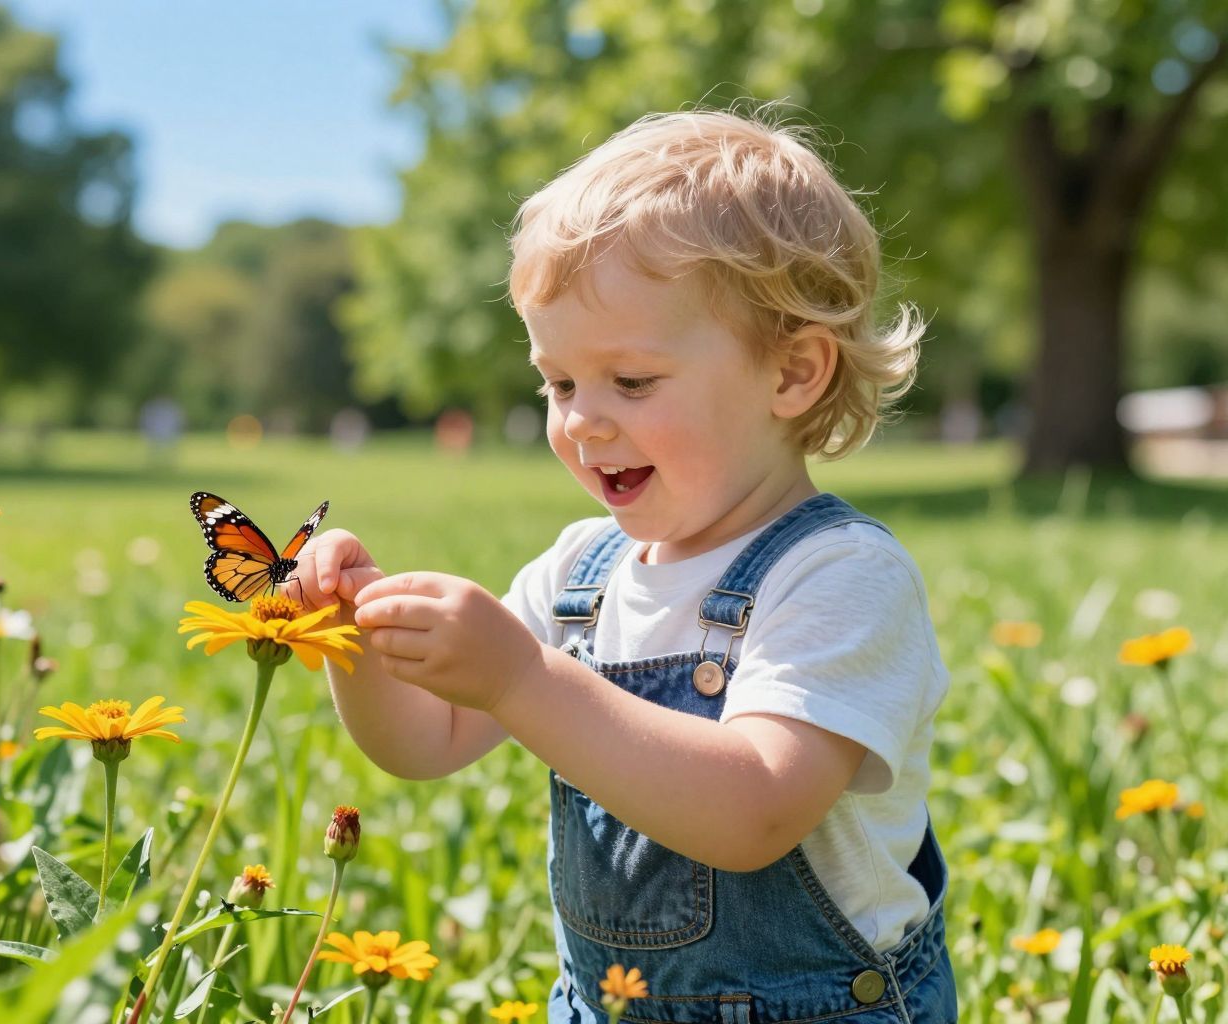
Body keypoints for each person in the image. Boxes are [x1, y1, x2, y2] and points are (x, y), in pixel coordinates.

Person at [296, 109, 957, 1023]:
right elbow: (425, 742)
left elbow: (753, 810)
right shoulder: (583, 571)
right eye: (559, 383)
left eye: (632, 381)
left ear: (793, 372)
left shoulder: (839, 577)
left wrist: (524, 678)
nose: (583, 420)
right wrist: (354, 639)